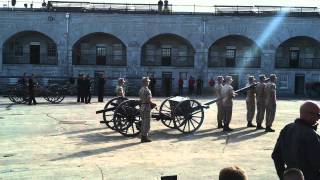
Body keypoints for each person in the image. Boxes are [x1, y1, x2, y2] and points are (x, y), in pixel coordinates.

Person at [272, 101, 320, 180]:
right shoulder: (311, 135)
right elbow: (316, 161)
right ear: (308, 114)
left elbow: (276, 155)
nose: (319, 118)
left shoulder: (287, 128)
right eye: (318, 115)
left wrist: (283, 175)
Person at [139, 77, 157, 143]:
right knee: (147, 123)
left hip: (142, 106)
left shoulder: (141, 89)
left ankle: (143, 136)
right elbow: (148, 100)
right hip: (146, 107)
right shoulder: (147, 90)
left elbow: (140, 99)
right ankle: (144, 137)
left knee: (143, 122)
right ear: (145, 82)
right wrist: (154, 104)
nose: (149, 82)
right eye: (148, 81)